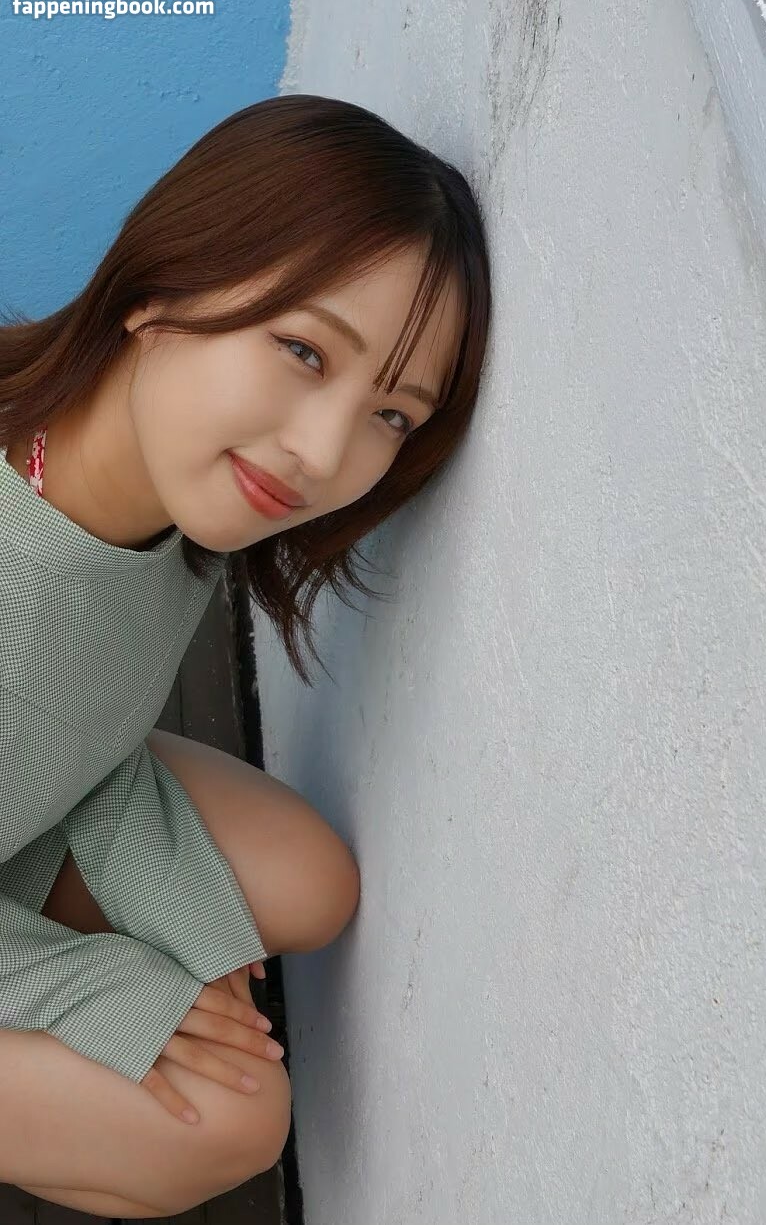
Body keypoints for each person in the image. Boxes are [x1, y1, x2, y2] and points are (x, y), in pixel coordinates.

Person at [0, 94, 492, 1217]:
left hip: (29, 793)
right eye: (305, 350)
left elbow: (79, 716)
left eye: (392, 415)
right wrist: (106, 992)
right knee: (226, 1121)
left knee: (306, 882)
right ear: (165, 287)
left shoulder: (168, 499)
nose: (324, 451)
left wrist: (190, 924)